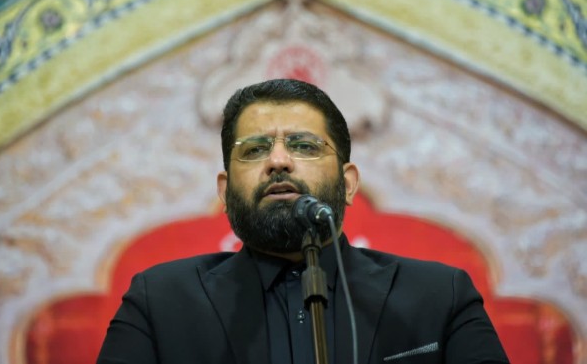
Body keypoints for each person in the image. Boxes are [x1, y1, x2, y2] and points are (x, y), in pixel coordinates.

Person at [97, 79, 509, 364]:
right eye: (254, 150)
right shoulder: (160, 302)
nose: (278, 161)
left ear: (348, 184)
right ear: (224, 190)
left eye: (304, 146)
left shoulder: (438, 296)